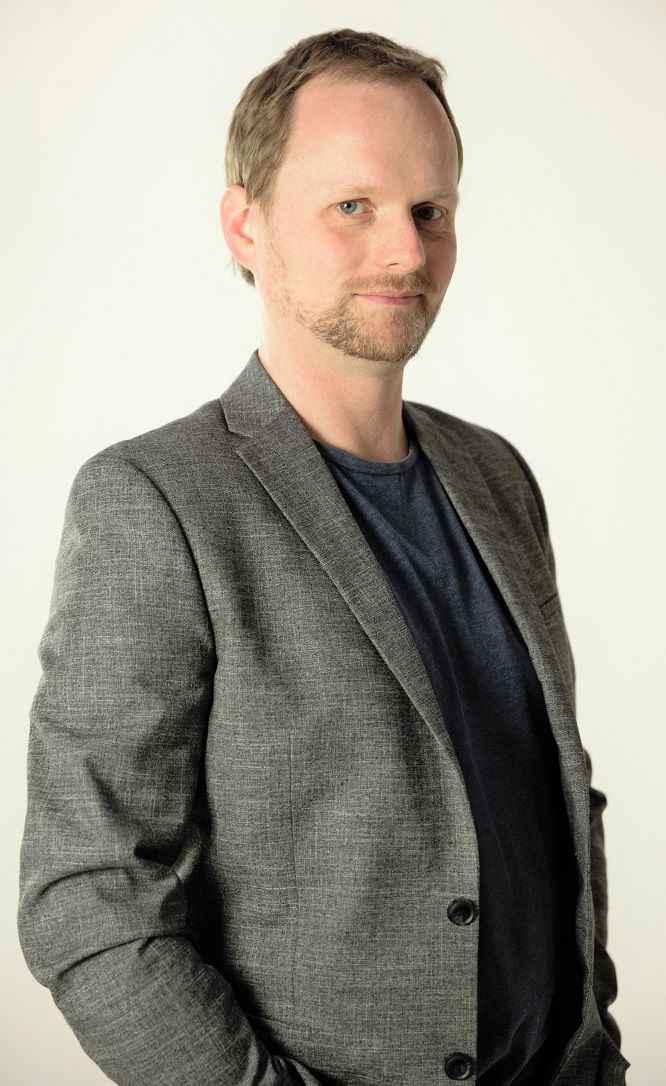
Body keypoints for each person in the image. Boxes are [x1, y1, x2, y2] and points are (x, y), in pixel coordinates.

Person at [17, 27, 628, 1086]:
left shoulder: (498, 478)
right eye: (354, 206)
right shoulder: (156, 500)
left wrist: (596, 1046)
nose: (407, 252)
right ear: (245, 224)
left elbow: (555, 806)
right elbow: (89, 896)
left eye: (431, 211)